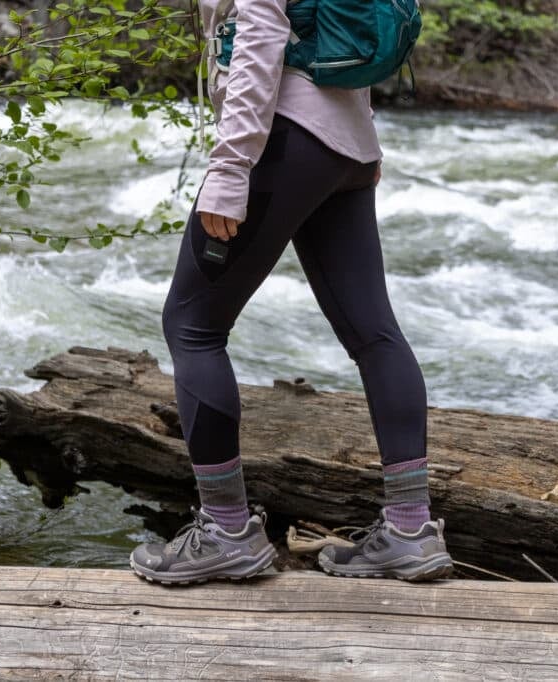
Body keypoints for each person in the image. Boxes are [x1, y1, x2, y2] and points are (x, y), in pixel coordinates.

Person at [129, 0, 454, 584]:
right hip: (342, 143)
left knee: (192, 326)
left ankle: (226, 532)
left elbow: (261, 33)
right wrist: (362, 136)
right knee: (374, 333)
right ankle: (410, 530)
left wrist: (230, 170)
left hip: (286, 134)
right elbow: (334, 35)